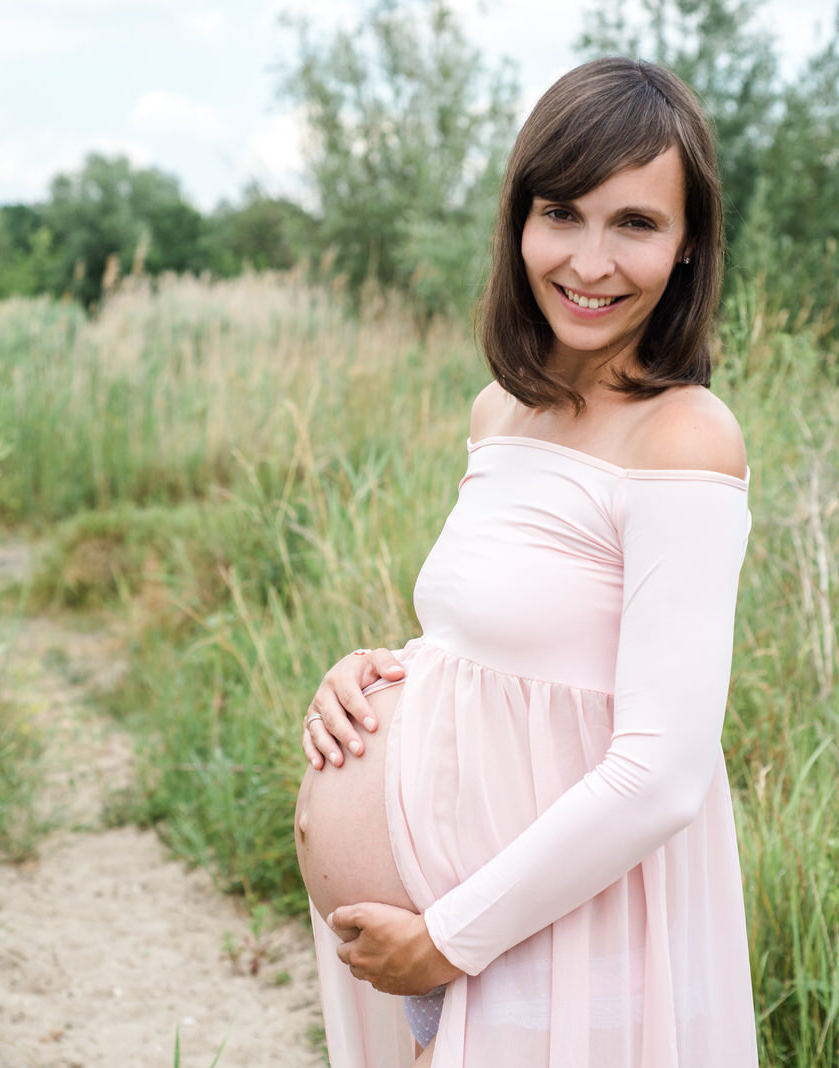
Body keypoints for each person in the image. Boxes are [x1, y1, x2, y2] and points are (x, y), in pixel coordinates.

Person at [292, 56, 759, 1067]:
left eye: (634, 223)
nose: (588, 261)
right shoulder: (500, 409)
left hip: (550, 939)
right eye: (562, 213)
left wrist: (448, 938)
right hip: (457, 943)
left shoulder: (683, 437)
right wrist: (379, 678)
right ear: (517, 223)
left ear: (686, 247)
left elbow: (662, 774)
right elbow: (493, 640)